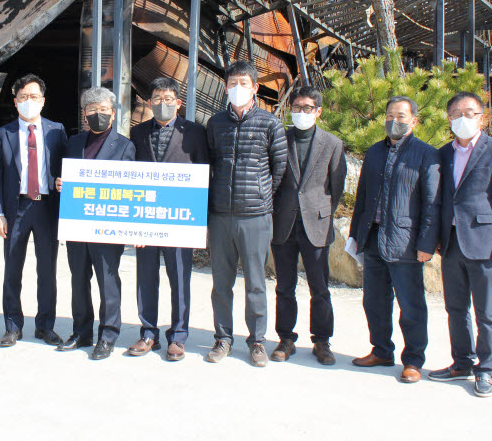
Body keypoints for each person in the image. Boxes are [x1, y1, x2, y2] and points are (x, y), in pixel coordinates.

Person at [428, 91, 492, 397]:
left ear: (481, 117)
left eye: (469, 113)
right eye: (455, 113)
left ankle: (487, 369)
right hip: (452, 242)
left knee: (486, 311)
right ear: (449, 118)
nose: (462, 118)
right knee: (455, 308)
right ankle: (462, 362)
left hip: (485, 241)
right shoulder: (443, 153)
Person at [349, 95, 440, 384]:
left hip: (406, 243)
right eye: (390, 115)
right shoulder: (374, 152)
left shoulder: (427, 154)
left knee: (411, 304)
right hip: (373, 237)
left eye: (401, 116)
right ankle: (381, 350)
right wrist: (354, 235)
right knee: (374, 300)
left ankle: (413, 360)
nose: (394, 121)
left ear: (414, 120)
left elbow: (432, 203)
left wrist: (427, 243)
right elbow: (362, 197)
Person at [205, 60, 288, 367]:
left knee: (255, 282)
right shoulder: (215, 124)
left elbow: (279, 168)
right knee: (221, 282)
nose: (237, 88)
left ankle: (257, 341)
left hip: (255, 216)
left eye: (244, 83)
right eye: (232, 83)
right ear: (226, 86)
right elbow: (210, 163)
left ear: (255, 88)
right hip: (221, 215)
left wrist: (261, 194)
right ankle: (223, 338)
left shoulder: (270, 124)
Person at [125, 77, 208, 362]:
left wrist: (201, 221)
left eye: (169, 99)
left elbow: (205, 175)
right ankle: (148, 332)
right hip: (147, 219)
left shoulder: (196, 133)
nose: (163, 104)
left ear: (179, 103)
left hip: (180, 220)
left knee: (179, 279)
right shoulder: (137, 134)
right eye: (158, 99)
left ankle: (178, 337)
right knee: (146, 278)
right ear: (149, 103)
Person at [270, 86, 347, 366]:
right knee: (284, 286)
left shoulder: (332, 144)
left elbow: (335, 187)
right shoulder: (280, 138)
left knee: (320, 287)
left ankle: (322, 341)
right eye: (297, 107)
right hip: (284, 224)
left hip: (316, 224)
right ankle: (286, 338)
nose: (302, 112)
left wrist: (320, 211)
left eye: (308, 108)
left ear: (318, 111)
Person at [59, 87, 136, 360]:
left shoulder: (125, 146)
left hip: (107, 224)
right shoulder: (74, 142)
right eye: (92, 111)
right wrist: (61, 184)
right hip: (77, 224)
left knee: (107, 280)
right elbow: (65, 177)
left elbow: (130, 187)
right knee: (79, 279)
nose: (98, 115)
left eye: (104, 110)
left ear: (113, 114)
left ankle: (108, 334)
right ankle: (81, 332)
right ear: (84, 115)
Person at [0, 74, 67, 348]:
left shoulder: (57, 130)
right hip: (16, 208)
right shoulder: (3, 134)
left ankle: (45, 326)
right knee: (13, 269)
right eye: (23, 97)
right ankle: (12, 326)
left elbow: (64, 167)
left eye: (34, 97)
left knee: (47, 271)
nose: (28, 102)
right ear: (15, 101)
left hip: (47, 207)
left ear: (43, 101)